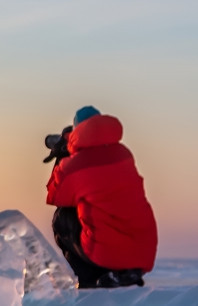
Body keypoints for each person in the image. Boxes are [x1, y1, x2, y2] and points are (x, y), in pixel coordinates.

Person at [45, 106, 157, 288]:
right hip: (142, 252)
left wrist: (62, 155)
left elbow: (54, 195)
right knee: (103, 205)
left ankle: (89, 280)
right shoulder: (124, 154)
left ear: (76, 132)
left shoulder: (76, 164)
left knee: (62, 217)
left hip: (107, 254)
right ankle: (122, 273)